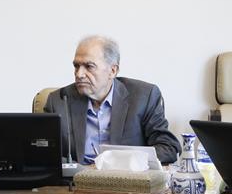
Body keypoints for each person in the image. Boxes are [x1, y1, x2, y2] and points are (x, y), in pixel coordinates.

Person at [44, 35, 181, 164]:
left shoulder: (144, 97)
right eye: (76, 66)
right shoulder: (58, 101)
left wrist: (126, 162)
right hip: (77, 179)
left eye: (89, 66)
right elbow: (43, 153)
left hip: (125, 178)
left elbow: (169, 148)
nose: (79, 74)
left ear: (112, 71)